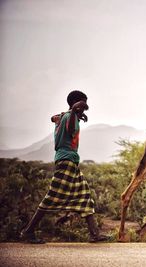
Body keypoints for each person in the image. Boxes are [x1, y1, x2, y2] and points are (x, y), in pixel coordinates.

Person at [20, 90, 108, 243]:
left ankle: (95, 234)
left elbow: (53, 118)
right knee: (52, 197)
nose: (85, 107)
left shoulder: (62, 117)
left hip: (70, 162)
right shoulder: (70, 116)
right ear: (75, 104)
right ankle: (28, 232)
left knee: (84, 196)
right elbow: (72, 130)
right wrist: (75, 112)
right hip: (66, 161)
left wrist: (75, 113)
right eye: (82, 104)